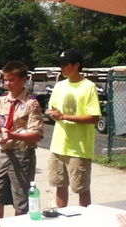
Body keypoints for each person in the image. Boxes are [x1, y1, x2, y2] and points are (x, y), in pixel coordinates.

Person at [0, 60, 44, 218]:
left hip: (22, 155)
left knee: (21, 199)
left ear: (23, 80)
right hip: (4, 153)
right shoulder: (2, 100)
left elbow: (37, 134)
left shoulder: (31, 104)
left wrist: (12, 135)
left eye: (11, 79)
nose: (7, 83)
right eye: (6, 79)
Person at [45, 49, 101, 208]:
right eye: (60, 64)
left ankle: (84, 220)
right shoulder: (59, 86)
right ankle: (62, 219)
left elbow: (94, 118)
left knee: (81, 188)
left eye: (65, 64)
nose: (61, 68)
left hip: (79, 148)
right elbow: (53, 110)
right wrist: (53, 114)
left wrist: (64, 117)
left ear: (76, 65)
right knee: (59, 185)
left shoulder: (88, 87)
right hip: (58, 145)